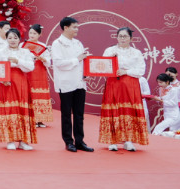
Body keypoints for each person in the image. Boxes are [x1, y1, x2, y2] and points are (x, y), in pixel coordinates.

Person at [99, 27, 149, 151]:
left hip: (130, 85)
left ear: (131, 38)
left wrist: (126, 71)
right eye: (120, 36)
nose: (122, 38)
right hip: (114, 84)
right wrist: (112, 59)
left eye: (125, 36)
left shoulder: (136, 52)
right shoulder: (110, 50)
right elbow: (103, 66)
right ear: (116, 37)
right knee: (113, 111)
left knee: (129, 112)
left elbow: (141, 70)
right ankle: (112, 140)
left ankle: (129, 140)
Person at [51, 16, 93, 152]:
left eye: (77, 27)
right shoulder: (57, 44)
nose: (77, 29)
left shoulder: (78, 43)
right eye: (74, 27)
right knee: (66, 114)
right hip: (66, 83)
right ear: (66, 28)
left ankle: (80, 141)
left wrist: (85, 73)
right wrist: (77, 59)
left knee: (79, 114)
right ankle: (69, 141)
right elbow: (58, 63)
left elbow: (82, 61)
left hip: (79, 83)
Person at [0, 28, 37, 150]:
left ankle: (23, 141)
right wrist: (2, 80)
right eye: (10, 38)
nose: (12, 40)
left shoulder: (25, 52)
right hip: (7, 84)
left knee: (23, 110)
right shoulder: (0, 52)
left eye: (15, 38)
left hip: (22, 82)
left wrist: (18, 61)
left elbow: (30, 67)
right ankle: (10, 140)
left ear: (19, 39)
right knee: (10, 110)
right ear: (6, 39)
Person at [25, 25, 53, 128]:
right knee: (30, 94)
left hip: (40, 72)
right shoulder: (23, 45)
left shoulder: (43, 46)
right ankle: (31, 118)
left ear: (40, 34)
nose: (32, 35)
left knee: (40, 94)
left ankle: (41, 119)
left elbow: (49, 61)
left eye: (35, 33)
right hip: (29, 72)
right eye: (31, 33)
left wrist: (43, 59)